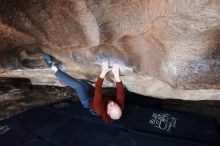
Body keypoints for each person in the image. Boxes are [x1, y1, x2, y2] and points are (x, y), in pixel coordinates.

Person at [44, 54, 125, 123]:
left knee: (78, 86)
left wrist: (104, 71)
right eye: (115, 104)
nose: (112, 102)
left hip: (88, 102)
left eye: (111, 106)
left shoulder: (99, 109)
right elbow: (120, 92)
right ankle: (80, 83)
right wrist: (116, 74)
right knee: (82, 83)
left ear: (107, 112)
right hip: (95, 95)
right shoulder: (119, 106)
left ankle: (53, 68)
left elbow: (98, 90)